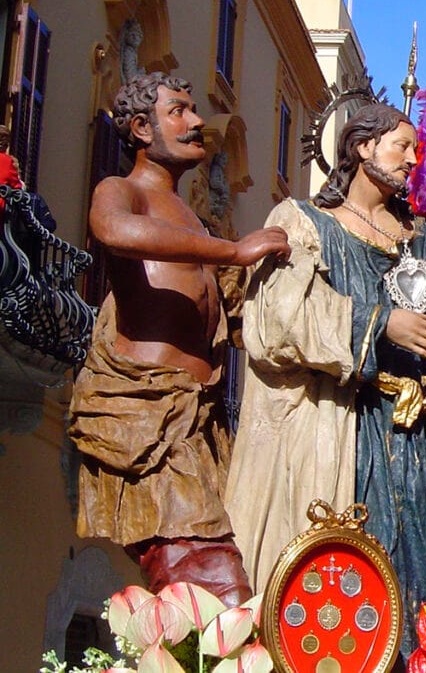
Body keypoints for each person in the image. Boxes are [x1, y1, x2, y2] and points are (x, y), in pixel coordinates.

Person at [224, 104, 426, 657]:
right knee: (351, 597)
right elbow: (277, 321)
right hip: (342, 433)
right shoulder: (304, 222)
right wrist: (382, 323)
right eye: (401, 146)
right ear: (362, 148)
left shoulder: (422, 245)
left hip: (416, 447)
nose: (414, 159)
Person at [68, 72, 291, 606]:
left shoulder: (190, 218)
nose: (197, 124)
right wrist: (233, 252)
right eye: (179, 112)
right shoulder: (123, 191)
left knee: (211, 592)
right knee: (213, 590)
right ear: (143, 128)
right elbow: (114, 231)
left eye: (194, 110)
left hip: (200, 423)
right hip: (149, 424)